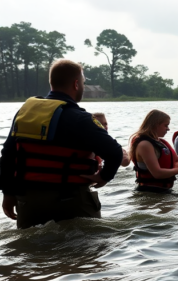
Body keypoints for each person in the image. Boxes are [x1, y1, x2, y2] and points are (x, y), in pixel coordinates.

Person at [0, 60, 124, 228]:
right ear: (76, 84)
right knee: (85, 251)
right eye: (83, 83)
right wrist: (104, 177)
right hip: (71, 199)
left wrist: (8, 193)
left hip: (29, 201)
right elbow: (115, 152)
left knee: (33, 252)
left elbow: (8, 155)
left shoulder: (24, 113)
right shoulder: (81, 118)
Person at [130, 110, 178, 192]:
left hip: (164, 191)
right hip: (149, 192)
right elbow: (157, 173)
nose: (168, 129)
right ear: (155, 125)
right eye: (166, 125)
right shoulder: (145, 145)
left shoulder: (163, 143)